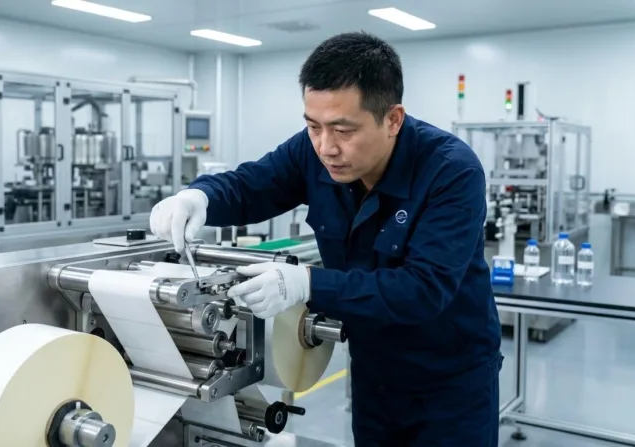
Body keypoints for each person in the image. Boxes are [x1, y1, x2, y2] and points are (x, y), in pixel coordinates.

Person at [150, 31, 502, 446]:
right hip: (374, 374)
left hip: (452, 381)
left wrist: (308, 285)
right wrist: (200, 196)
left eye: (343, 130)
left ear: (393, 119)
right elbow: (253, 185)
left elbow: (423, 289)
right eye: (313, 126)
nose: (325, 147)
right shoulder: (312, 151)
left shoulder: (451, 172)